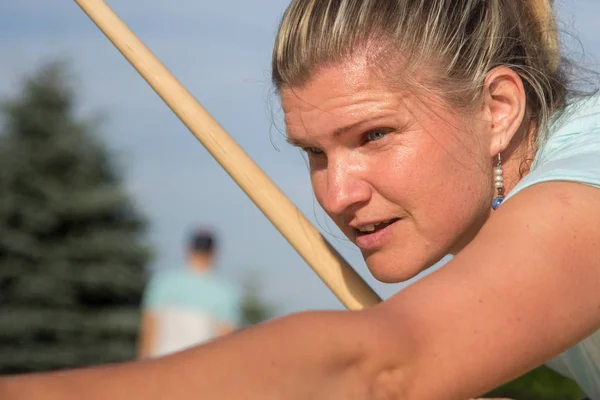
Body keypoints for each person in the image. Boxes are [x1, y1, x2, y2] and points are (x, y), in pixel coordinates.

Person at [1, 0, 599, 399]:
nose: (337, 194)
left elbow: (379, 371)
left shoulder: (585, 189)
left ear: (497, 109)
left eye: (374, 136)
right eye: (316, 153)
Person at [137, 228, 241, 359]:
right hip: (199, 367)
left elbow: (149, 332)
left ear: (188, 250)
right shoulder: (225, 293)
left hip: (161, 362)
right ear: (214, 253)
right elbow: (224, 341)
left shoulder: (163, 283)